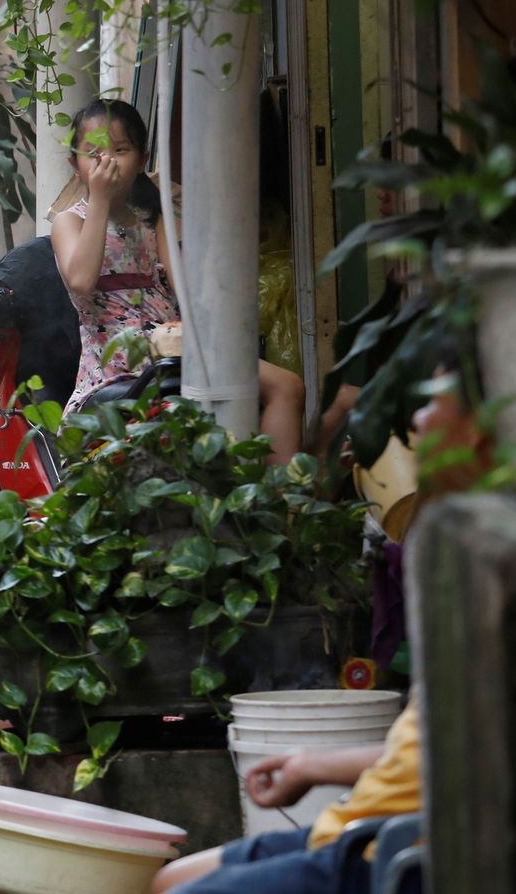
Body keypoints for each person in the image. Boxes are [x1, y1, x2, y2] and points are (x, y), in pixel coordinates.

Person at [152, 341, 495, 893]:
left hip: (400, 851)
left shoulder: (491, 573)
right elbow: (426, 742)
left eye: (437, 402)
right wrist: (311, 764)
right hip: (360, 829)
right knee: (170, 878)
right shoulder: (460, 548)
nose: (420, 418)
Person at [51, 98, 306, 463]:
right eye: (93, 153)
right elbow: (80, 280)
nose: (106, 162)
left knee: (287, 386)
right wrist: (101, 202)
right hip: (116, 360)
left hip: (174, 343)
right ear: (74, 164)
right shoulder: (70, 221)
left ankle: (280, 504)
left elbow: (185, 290)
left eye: (120, 150)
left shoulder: (155, 218)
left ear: (142, 159)